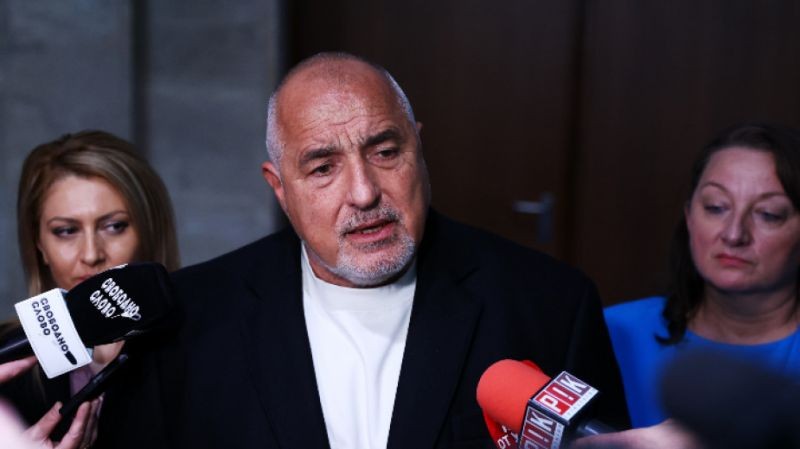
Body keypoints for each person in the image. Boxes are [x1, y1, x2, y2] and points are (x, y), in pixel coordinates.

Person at [99, 52, 629, 449]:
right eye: (323, 168)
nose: (363, 193)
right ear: (280, 188)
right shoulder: (188, 321)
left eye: (385, 152)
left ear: (418, 148)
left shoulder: (551, 305)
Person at [583, 122, 800, 448]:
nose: (734, 234)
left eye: (768, 214)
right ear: (688, 215)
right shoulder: (609, 330)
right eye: (716, 207)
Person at [0, 130, 180, 448]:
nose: (91, 254)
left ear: (149, 231)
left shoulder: (205, 352)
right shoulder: (7, 362)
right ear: (39, 245)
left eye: (114, 226)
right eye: (66, 231)